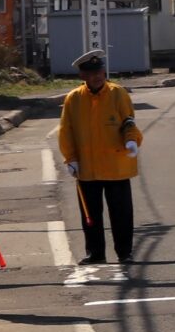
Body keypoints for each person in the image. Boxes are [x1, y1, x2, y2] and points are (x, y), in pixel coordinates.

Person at [59, 49, 143, 266]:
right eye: (92, 73)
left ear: (104, 71)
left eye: (100, 71)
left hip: (116, 166)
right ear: (82, 76)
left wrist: (131, 140)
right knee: (90, 215)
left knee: (121, 213)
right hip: (87, 167)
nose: (97, 76)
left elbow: (128, 122)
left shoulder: (118, 93)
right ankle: (95, 253)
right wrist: (71, 158)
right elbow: (66, 131)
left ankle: (125, 253)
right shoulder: (73, 99)